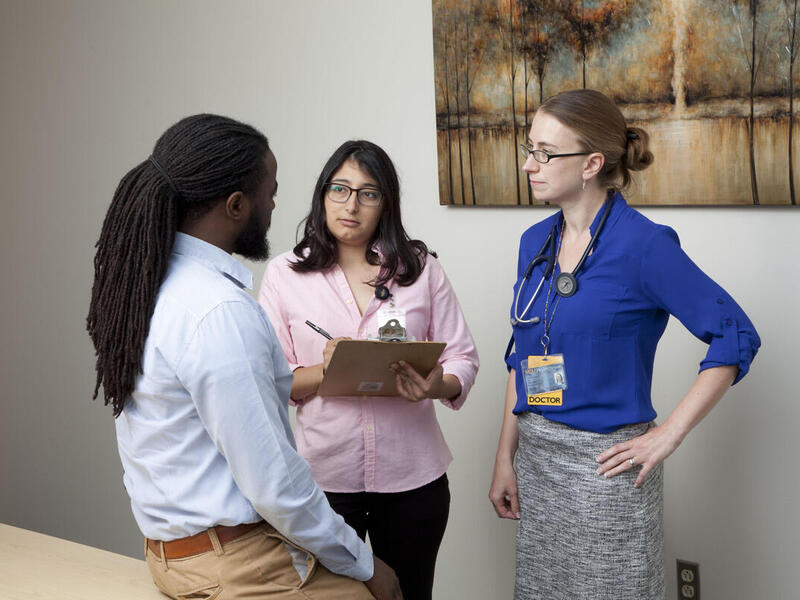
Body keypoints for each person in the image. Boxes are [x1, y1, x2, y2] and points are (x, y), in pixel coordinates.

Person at [86, 115, 402, 600]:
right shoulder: (220, 311)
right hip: (235, 562)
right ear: (237, 205)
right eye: (270, 193)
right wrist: (365, 564)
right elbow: (275, 485)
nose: (274, 206)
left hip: (173, 554)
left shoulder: (147, 282)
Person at [488, 90, 760, 600]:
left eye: (545, 153)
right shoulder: (534, 242)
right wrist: (506, 456)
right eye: (529, 148)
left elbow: (735, 334)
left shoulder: (645, 245)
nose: (528, 165)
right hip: (538, 463)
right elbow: (521, 358)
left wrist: (668, 435)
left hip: (606, 471)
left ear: (592, 164)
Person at [258, 140, 479, 600]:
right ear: (322, 194)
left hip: (414, 479)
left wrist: (435, 385)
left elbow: (462, 358)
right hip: (323, 482)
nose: (351, 205)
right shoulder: (285, 273)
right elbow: (273, 380)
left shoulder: (420, 269)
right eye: (339, 189)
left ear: (386, 203)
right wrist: (328, 370)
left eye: (368, 193)